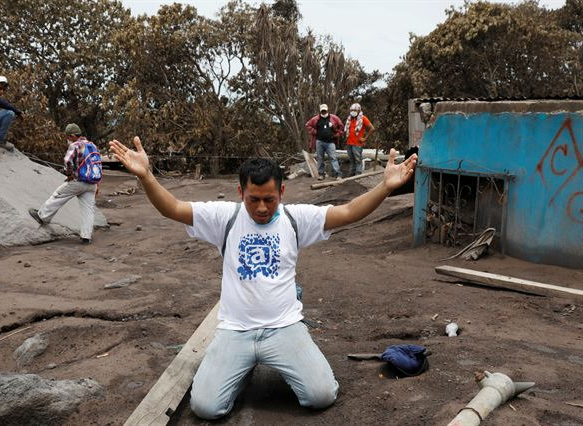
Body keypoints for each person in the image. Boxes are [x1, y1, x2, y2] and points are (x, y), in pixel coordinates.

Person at [108, 135, 417, 420]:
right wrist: (146, 176)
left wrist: (385, 187)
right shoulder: (224, 218)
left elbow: (348, 211)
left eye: (269, 199)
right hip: (235, 330)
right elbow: (173, 208)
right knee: (206, 407)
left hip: (283, 326)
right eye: (253, 199)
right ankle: (237, 368)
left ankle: (277, 349)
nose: (262, 207)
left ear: (281, 191)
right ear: (240, 192)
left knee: (322, 395)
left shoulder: (296, 218)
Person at [29, 123, 102, 244]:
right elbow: (97, 164)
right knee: (88, 210)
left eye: (68, 137)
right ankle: (86, 236)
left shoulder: (75, 145)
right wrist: (97, 183)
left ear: (73, 136)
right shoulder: (92, 145)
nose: (67, 139)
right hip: (92, 183)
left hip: (79, 181)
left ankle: (42, 216)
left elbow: (67, 160)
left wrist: (70, 174)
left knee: (58, 195)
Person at [305, 104, 344, 180]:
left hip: (330, 142)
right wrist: (314, 131)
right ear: (320, 111)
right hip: (319, 141)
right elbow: (307, 125)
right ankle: (321, 174)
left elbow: (341, 126)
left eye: (325, 110)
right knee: (320, 158)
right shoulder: (316, 119)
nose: (323, 112)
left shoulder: (334, 118)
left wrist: (336, 134)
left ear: (327, 110)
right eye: (322, 110)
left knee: (333, 158)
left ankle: (338, 175)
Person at [344, 103, 375, 176]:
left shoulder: (363, 118)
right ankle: (351, 175)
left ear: (359, 110)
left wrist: (365, 138)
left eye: (355, 110)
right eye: (351, 110)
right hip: (349, 143)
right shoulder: (349, 119)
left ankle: (358, 175)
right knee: (351, 160)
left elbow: (372, 128)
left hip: (357, 143)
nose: (353, 112)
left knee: (358, 160)